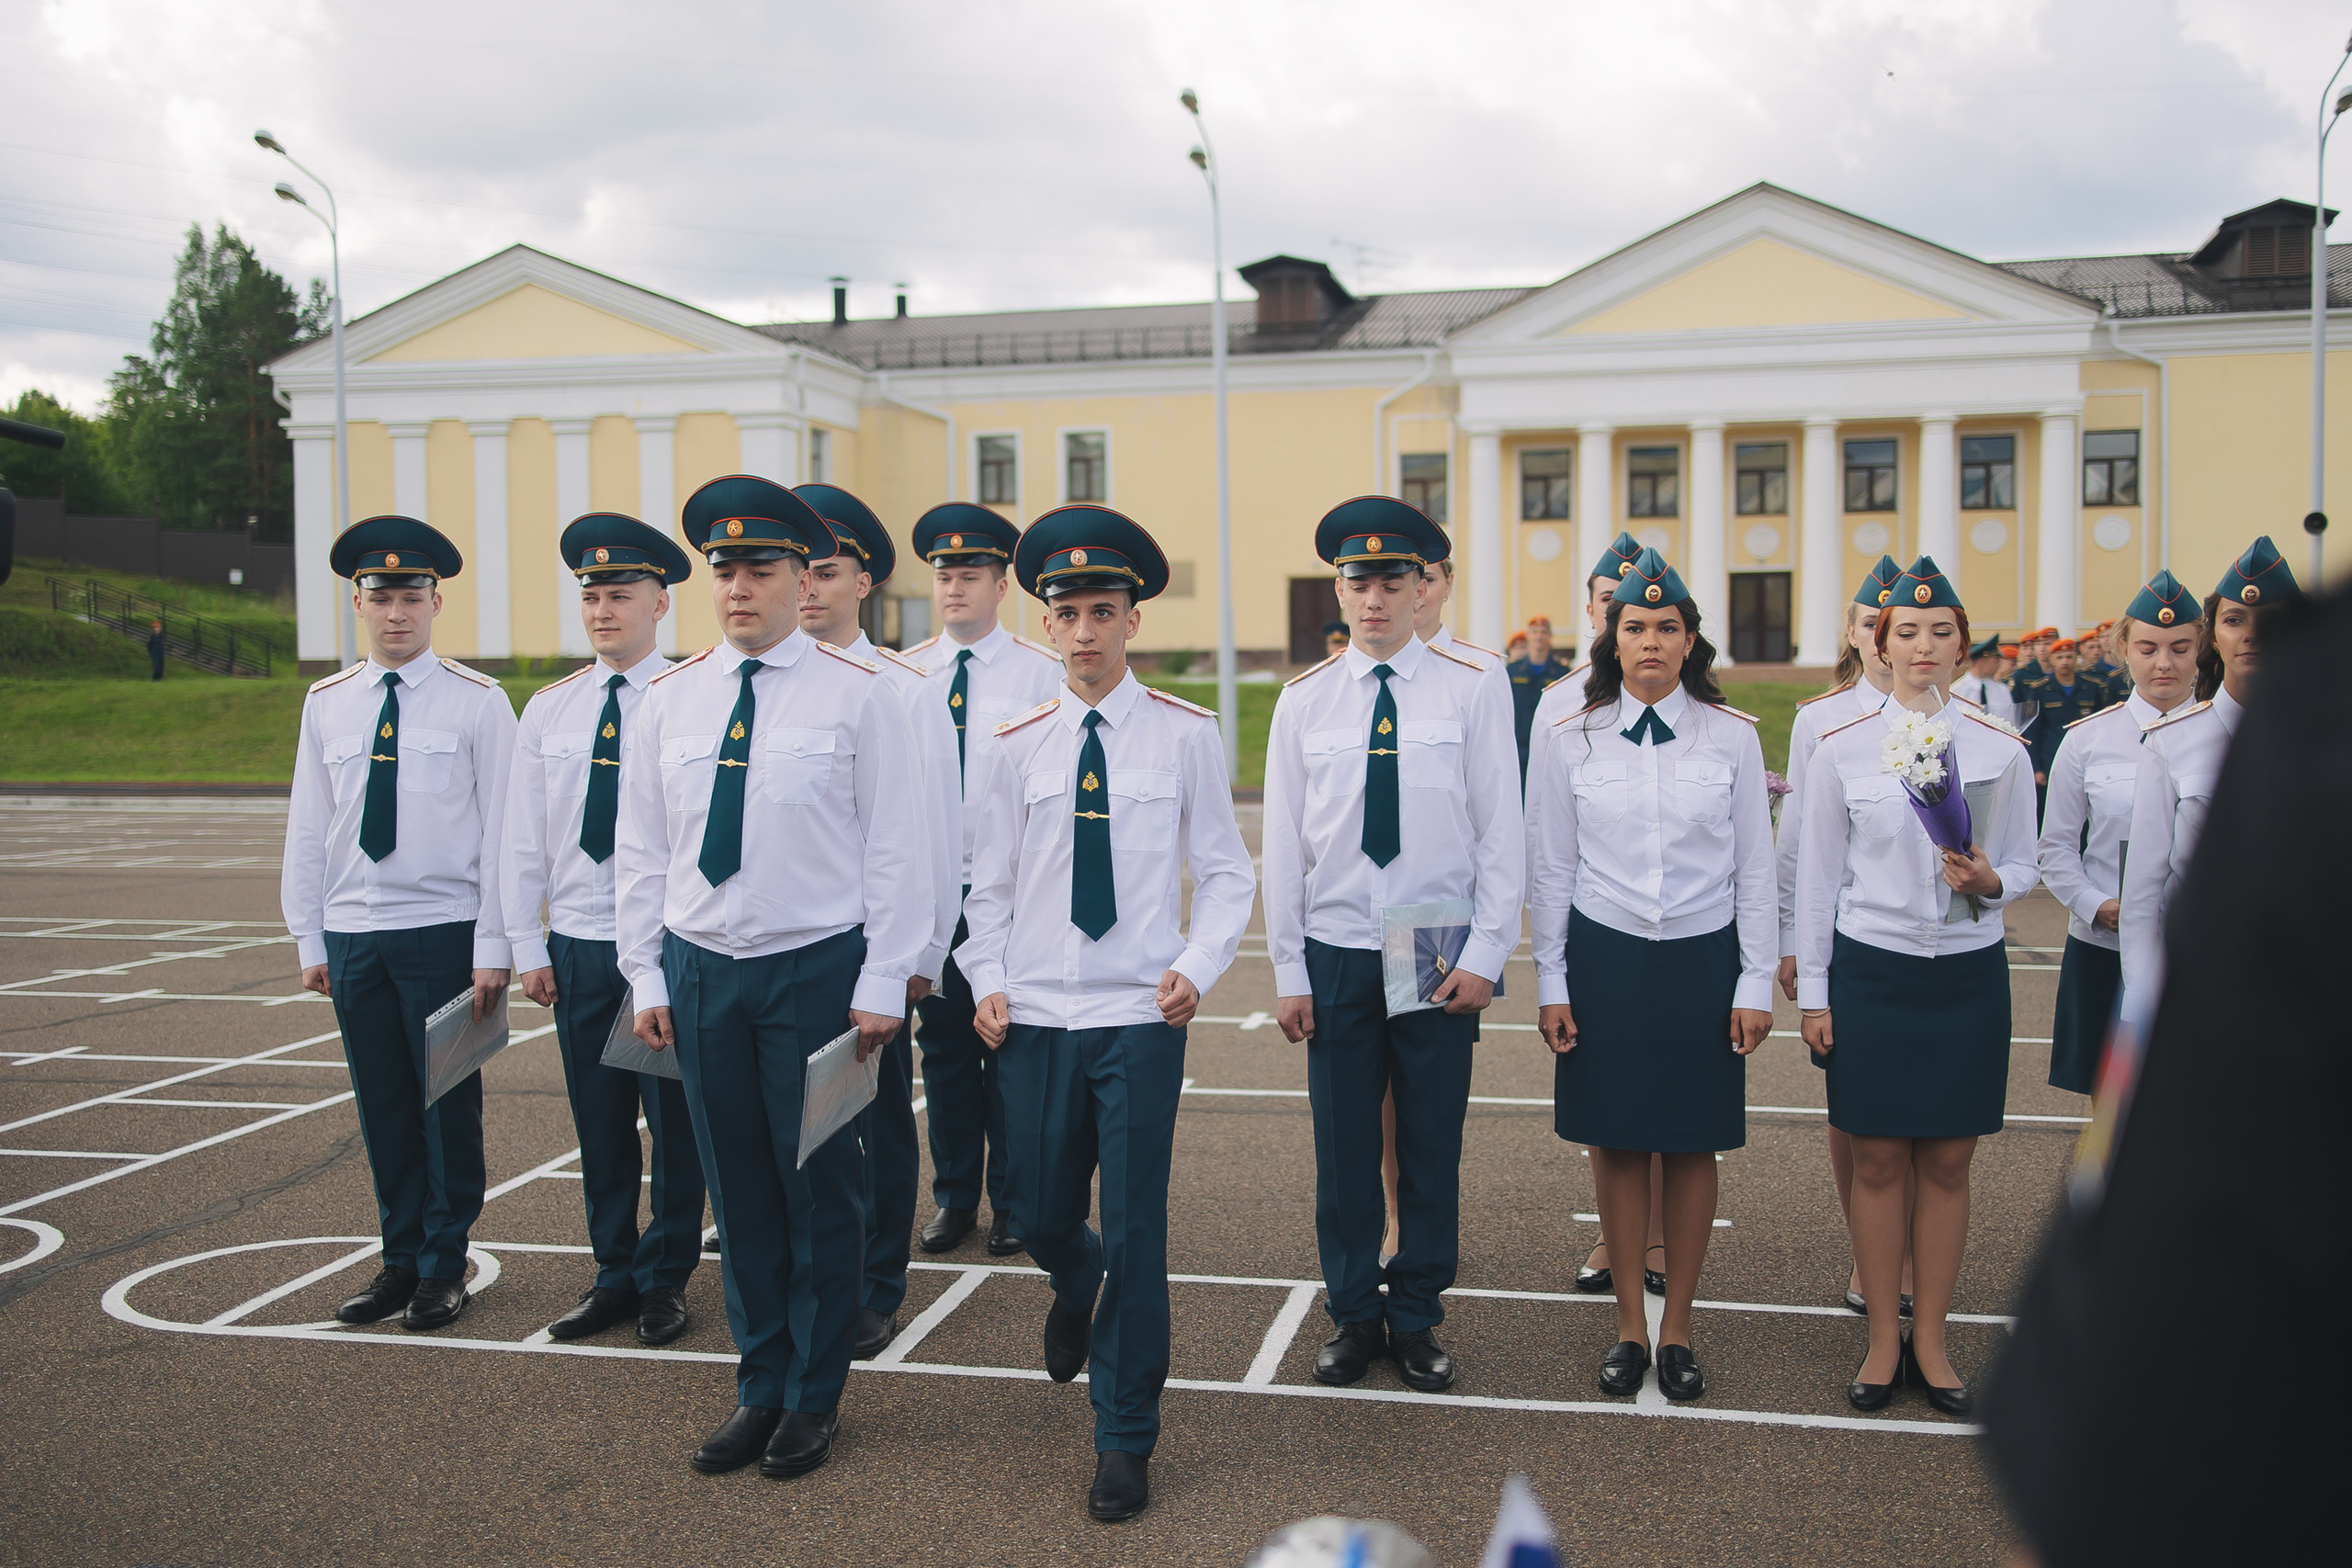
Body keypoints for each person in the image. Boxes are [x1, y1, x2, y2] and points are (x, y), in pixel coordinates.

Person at [1984, 581, 2346, 1568]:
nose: (2168, 659)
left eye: (2180, 642)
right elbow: (2130, 893)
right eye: (2228, 625)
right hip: (2165, 1004)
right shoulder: (2211, 733)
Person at [615, 475, 929, 1479]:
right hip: (704, 972)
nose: (740, 587)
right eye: (725, 569)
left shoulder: (863, 696)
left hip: (817, 973)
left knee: (820, 1193)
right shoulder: (670, 697)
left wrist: (886, 976)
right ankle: (758, 1383)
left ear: (805, 578)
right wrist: (645, 976)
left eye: (762, 569)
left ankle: (814, 1395)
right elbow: (641, 851)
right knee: (738, 1190)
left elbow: (896, 847)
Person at [959, 503, 1255, 1522]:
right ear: (1045, 626)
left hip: (1137, 1018)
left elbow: (1223, 873)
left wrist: (1198, 963)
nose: (1084, 630)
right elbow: (985, 885)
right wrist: (983, 973)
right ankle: (1070, 1278)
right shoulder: (1012, 745)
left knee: (1134, 1228)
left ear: (1132, 621)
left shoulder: (1184, 736)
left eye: (1103, 610)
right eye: (1067, 612)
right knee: (1037, 1210)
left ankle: (1124, 1431)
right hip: (1035, 1017)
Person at [1264, 496, 1522, 1394]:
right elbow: (1285, 848)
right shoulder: (1303, 701)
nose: (1371, 599)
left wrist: (1487, 950)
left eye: (1390, 581)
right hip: (1336, 943)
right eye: (1355, 580)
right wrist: (1288, 969)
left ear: (1422, 587)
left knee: (1425, 1142)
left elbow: (1501, 827)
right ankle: (1353, 1313)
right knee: (1342, 1152)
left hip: (1430, 939)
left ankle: (1414, 1314)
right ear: (1337, 588)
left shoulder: (1473, 682)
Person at [1528, 547, 1775, 1401]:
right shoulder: (1570, 736)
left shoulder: (1733, 737)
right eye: (1635, 626)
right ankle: (1629, 1326)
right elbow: (1551, 870)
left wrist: (1752, 983)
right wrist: (1550, 981)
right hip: (1608, 954)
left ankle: (1680, 1328)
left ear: (1691, 639)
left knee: (1694, 1139)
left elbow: (1756, 867)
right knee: (1620, 1141)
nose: (1651, 642)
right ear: (1613, 635)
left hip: (1703, 956)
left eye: (1668, 628)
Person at [1795, 555, 2039, 1416]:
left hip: (1967, 974)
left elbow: (2025, 860)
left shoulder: (2001, 748)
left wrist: (1991, 882)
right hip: (1874, 968)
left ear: (1964, 645)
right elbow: (1819, 880)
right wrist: (1816, 995)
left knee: (1946, 1160)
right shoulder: (1840, 747)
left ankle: (1931, 1339)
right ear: (1881, 643)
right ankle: (1881, 1340)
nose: (1925, 645)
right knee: (1877, 1158)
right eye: (1908, 632)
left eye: (1943, 632)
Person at [282, 514, 515, 1332]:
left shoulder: (480, 701)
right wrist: (310, 936)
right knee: (383, 1104)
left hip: (446, 929)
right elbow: (309, 825)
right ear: (357, 601)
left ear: (436, 601)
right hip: (354, 934)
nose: (396, 613)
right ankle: (399, 1258)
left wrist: (497, 943)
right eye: (381, 597)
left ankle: (445, 1266)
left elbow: (504, 833)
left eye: (412, 596)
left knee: (446, 1106)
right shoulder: (327, 702)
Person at [502, 513, 704, 1348]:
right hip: (580, 943)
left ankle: (666, 1277)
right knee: (599, 1119)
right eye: (591, 595)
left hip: (661, 943)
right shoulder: (550, 709)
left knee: (676, 1122)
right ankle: (612, 1271)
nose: (603, 609)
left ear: (660, 603)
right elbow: (521, 835)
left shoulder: (691, 699)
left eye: (621, 594)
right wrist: (524, 943)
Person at [793, 481, 962, 1359]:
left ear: (865, 583)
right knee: (793, 1117)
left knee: (877, 1120)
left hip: (870, 945)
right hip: (783, 942)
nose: (809, 587)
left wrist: (919, 952)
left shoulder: (906, 688)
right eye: (800, 570)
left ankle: (875, 1281)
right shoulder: (752, 679)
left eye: (826, 570)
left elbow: (933, 829)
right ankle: (807, 1267)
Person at [902, 503, 1065, 1259]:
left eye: (970, 574)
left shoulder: (1042, 671)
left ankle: (1016, 1202)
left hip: (1011, 895)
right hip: (936, 898)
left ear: (1003, 584)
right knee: (943, 1052)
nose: (954, 587)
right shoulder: (904, 674)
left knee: (1012, 1050)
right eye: (943, 574)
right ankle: (954, 1196)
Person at [1529, 530, 1666, 1299]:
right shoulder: (1559, 700)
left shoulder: (1683, 695)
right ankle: (1617, 1238)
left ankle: (1654, 1239)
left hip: (1669, 921)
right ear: (1592, 612)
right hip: (1594, 920)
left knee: (1670, 1091)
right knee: (1607, 1092)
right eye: (1611, 604)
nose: (1627, 620)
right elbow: (1543, 825)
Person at [1775, 554, 1904, 1315]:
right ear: (1852, 635)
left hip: (1920, 943)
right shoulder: (1820, 720)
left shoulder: (1949, 714)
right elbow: (1797, 844)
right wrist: (1793, 939)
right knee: (1853, 1108)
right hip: (1846, 935)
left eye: (1899, 625)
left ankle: (1908, 1252)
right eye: (1869, 622)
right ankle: (1869, 1247)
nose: (1885, 637)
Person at [2118, 536, 2301, 1031]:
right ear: (2212, 637)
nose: (2251, 635)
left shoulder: (2326, 741)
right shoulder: (2171, 744)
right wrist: (2143, 999)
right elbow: (2143, 891)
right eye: (2234, 620)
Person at [2033, 570, 2200, 1098]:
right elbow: (2056, 846)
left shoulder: (2224, 737)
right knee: (2111, 1104)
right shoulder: (2087, 741)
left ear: (2202, 650)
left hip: (2198, 948)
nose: (2164, 663)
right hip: (2106, 946)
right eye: (2148, 647)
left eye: (2180, 647)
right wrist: (2097, 905)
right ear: (2122, 650)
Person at [1504, 615, 1577, 782]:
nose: (1539, 636)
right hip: (1518, 746)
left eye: (1543, 632)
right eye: (1535, 632)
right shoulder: (1513, 670)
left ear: (1550, 637)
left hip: (1549, 746)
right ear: (1528, 635)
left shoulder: (1561, 673)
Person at [1951, 636, 2016, 725]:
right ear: (1982, 662)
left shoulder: (2001, 690)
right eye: (1995, 661)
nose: (1998, 666)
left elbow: (2011, 722)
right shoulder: (1957, 691)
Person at [147, 617, 165, 681]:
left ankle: (159, 679)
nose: (158, 629)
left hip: (160, 653)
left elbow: (163, 645)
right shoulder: (152, 637)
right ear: (154, 628)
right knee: (156, 667)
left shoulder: (161, 636)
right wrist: (151, 653)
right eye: (156, 627)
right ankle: (154, 679)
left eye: (159, 627)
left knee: (161, 667)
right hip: (154, 654)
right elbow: (149, 645)